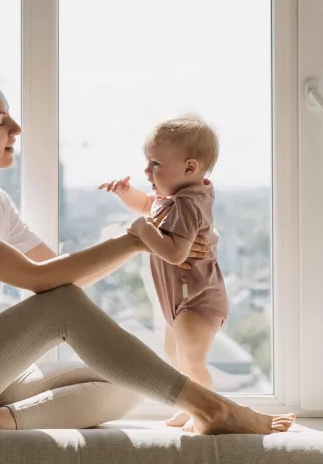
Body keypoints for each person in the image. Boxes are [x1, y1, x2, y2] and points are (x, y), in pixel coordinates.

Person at [0, 69, 294, 435]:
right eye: (1, 122)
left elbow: (53, 271)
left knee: (132, 377)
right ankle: (213, 407)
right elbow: (41, 283)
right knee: (65, 309)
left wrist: (146, 239)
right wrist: (139, 238)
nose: (16, 129)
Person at [100, 115, 229, 431]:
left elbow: (174, 252)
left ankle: (209, 412)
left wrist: (143, 232)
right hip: (182, 301)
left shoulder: (187, 204)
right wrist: (126, 195)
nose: (147, 171)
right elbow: (149, 206)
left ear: (189, 168)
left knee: (192, 361)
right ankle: (191, 407)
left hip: (198, 301)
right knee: (177, 356)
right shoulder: (174, 199)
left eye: (155, 164)